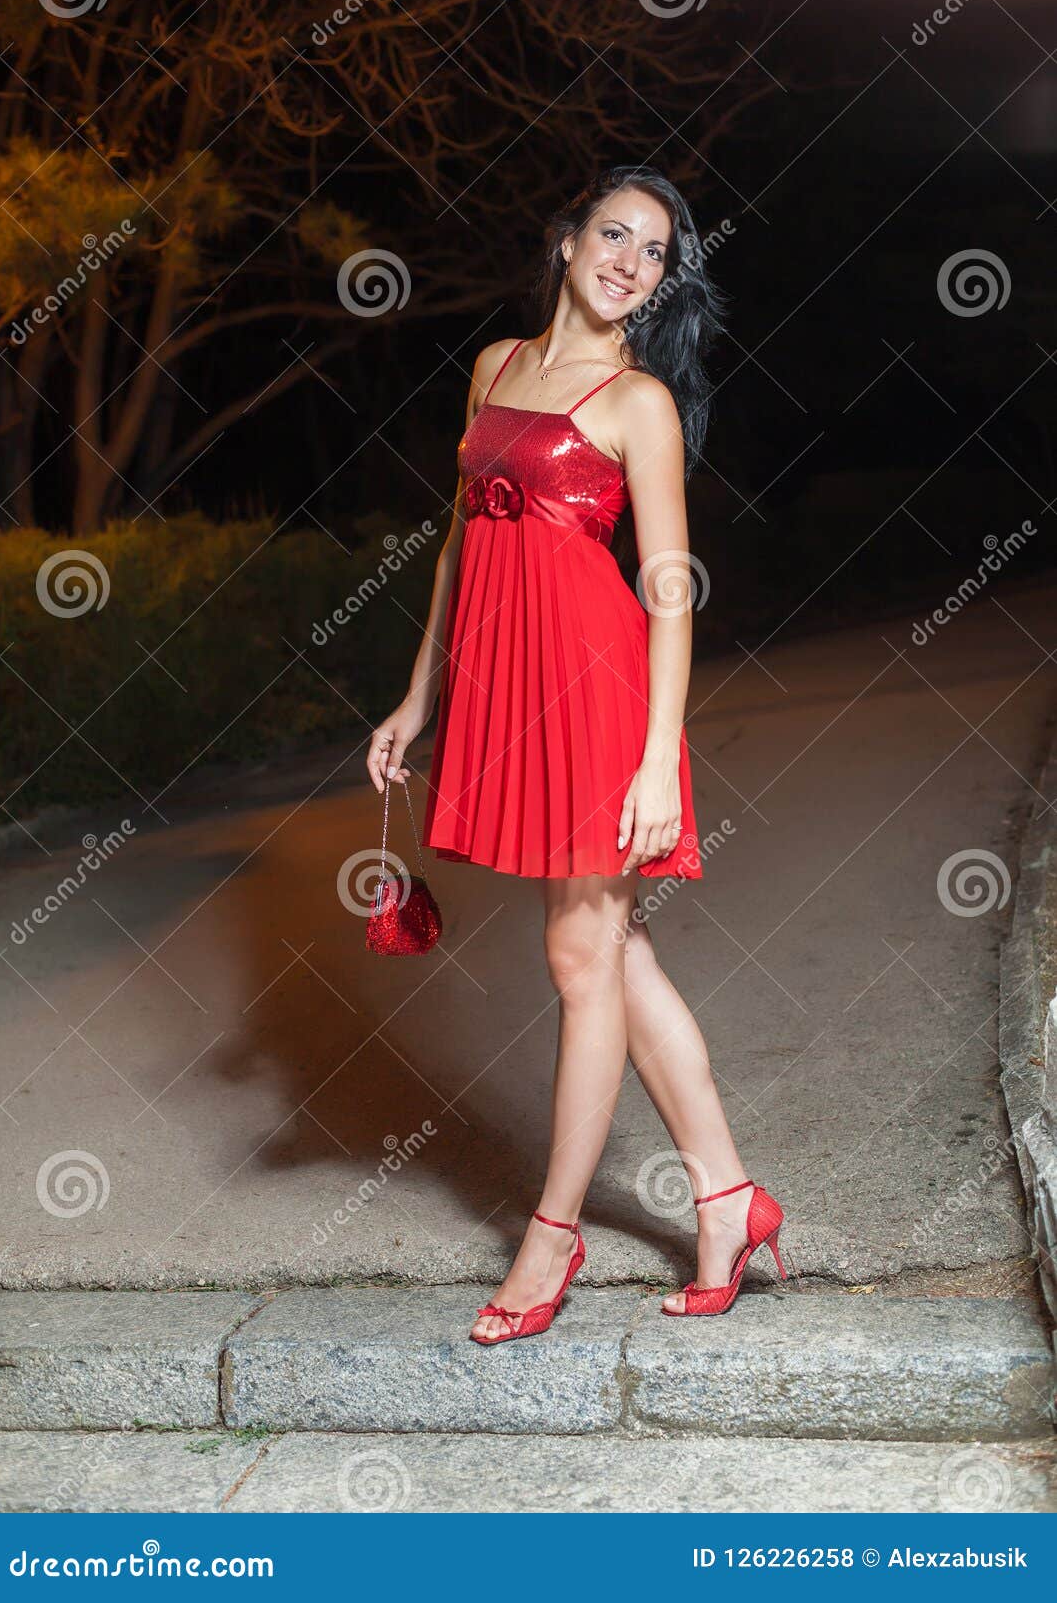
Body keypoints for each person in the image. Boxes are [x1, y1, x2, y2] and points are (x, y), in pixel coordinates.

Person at [367, 166, 787, 1345]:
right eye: (614, 234)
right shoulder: (495, 367)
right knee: (613, 950)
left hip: (600, 698)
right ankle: (727, 1198)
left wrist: (659, 758)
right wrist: (418, 699)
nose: (628, 262)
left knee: (576, 948)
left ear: (660, 285)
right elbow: (462, 544)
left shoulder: (635, 401)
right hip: (507, 692)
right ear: (565, 242)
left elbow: (665, 588)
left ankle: (551, 1233)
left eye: (653, 253)